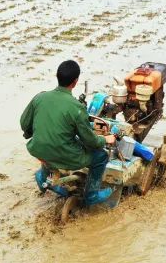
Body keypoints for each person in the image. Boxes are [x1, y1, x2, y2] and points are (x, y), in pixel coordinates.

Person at [20, 60, 116, 206]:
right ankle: (91, 196)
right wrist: (106, 139)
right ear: (75, 82)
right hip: (64, 155)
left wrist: (37, 133)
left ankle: (42, 177)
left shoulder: (39, 98)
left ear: (57, 76)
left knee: (50, 143)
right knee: (101, 156)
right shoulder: (77, 108)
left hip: (37, 149)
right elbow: (90, 141)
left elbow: (24, 124)